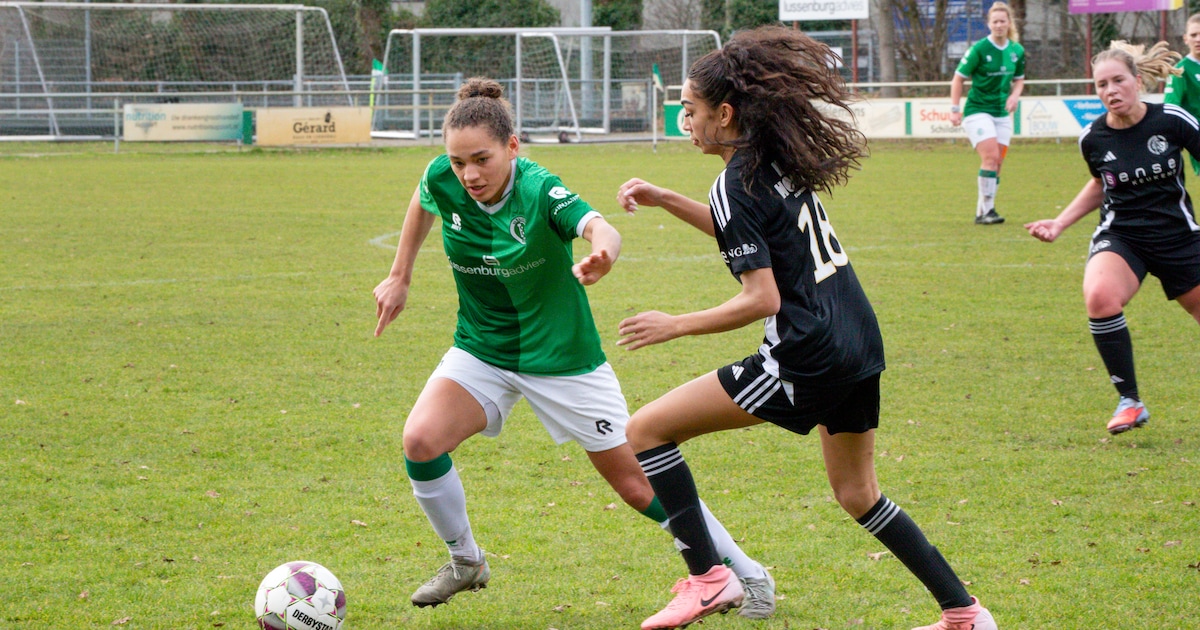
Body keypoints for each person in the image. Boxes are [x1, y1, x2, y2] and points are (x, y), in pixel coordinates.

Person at [615, 27, 996, 630]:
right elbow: (753, 238)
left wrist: (677, 324)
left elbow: (759, 294)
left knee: (646, 430)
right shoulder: (772, 158)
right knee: (858, 493)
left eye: (690, 109)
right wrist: (667, 198)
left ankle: (709, 579)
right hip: (856, 338)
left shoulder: (733, 183)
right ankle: (964, 614)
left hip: (806, 354)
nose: (684, 119)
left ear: (725, 112)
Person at [372, 78, 775, 615]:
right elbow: (422, 203)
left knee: (637, 485)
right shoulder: (442, 177)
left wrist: (603, 254)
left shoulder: (540, 189)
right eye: (458, 161)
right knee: (421, 440)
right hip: (482, 349)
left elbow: (597, 226)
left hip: (564, 361)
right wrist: (400, 276)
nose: (468, 174)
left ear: (512, 147)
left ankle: (748, 575)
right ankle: (466, 561)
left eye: (481, 160)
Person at [1025, 41, 1200, 435]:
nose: (1110, 90)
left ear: (1137, 82)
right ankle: (1130, 401)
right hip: (1122, 237)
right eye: (1102, 84)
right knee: (1100, 297)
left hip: (1179, 237)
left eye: (1118, 80)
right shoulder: (1093, 138)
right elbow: (1099, 184)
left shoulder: (1171, 120)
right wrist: (1059, 223)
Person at [949, 1, 1026, 225]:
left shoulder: (1016, 50)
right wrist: (955, 109)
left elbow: (1019, 80)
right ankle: (986, 211)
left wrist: (1015, 96)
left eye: (1003, 21)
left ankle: (983, 211)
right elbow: (958, 78)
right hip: (977, 110)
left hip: (1001, 113)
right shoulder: (979, 49)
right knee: (990, 157)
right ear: (989, 24)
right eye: (995, 21)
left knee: (998, 163)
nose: (999, 25)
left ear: (1009, 23)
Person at [1164, 13, 1200, 175]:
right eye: (1194, 35)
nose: (1198, 39)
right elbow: (1171, 108)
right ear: (1186, 39)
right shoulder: (1180, 71)